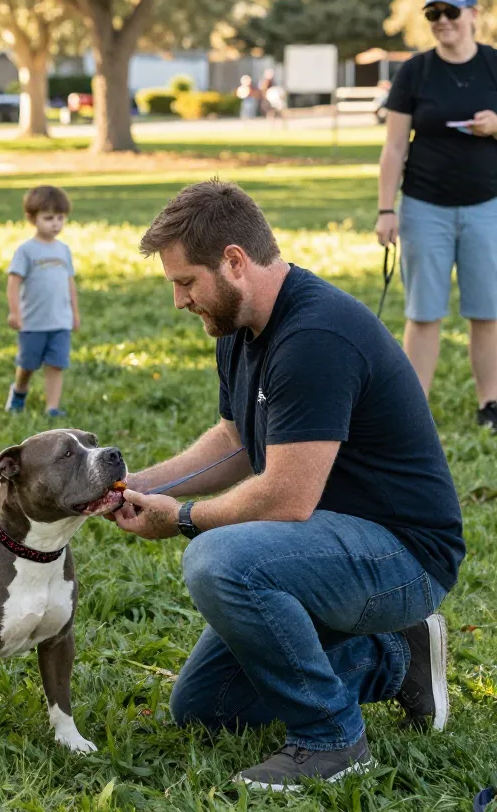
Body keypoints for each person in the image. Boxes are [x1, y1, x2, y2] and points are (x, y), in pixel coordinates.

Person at [113, 180, 464, 791]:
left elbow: (285, 497)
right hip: (327, 547)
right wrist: (127, 485)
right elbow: (235, 442)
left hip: (405, 555)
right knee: (206, 706)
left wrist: (182, 518)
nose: (178, 300)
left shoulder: (314, 337)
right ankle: (395, 658)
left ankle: (331, 739)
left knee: (219, 560)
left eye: (185, 281)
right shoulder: (240, 326)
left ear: (233, 261)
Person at [378, 0, 497, 433]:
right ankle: (415, 410)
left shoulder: (492, 65)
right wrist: (386, 209)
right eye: (434, 14)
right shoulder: (415, 71)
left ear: (473, 14)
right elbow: (393, 148)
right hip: (424, 206)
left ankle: (490, 403)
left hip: (487, 206)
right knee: (424, 312)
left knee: (486, 311)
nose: (443, 21)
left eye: (451, 11)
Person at [4, 185, 80, 417]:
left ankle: (52, 407)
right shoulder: (26, 251)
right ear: (31, 218)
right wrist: (15, 312)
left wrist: (74, 314)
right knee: (28, 365)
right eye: (48, 218)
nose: (55, 223)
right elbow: (13, 283)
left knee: (56, 364)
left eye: (60, 218)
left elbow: (70, 283)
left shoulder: (63, 250)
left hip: (60, 321)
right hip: (33, 322)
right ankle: (19, 391)